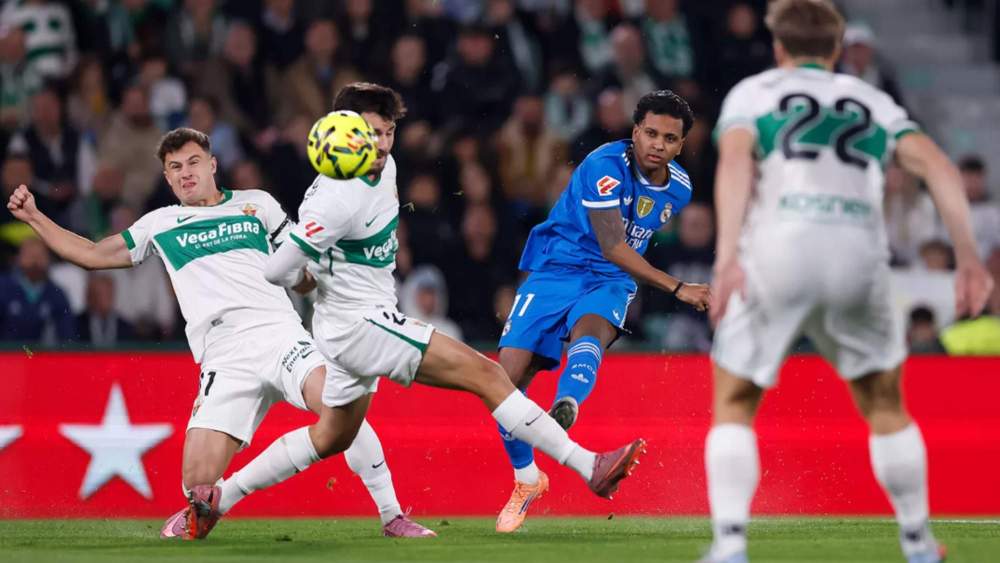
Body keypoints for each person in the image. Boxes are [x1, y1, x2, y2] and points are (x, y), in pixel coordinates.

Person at [6, 127, 435, 540]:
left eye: (193, 162)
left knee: (339, 407)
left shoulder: (257, 204)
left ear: (213, 165)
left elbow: (300, 268)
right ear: (167, 178)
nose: (185, 172)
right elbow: (92, 254)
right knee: (196, 488)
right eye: (175, 167)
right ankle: (215, 501)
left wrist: (305, 280)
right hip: (224, 356)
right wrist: (34, 216)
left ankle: (392, 514)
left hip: (279, 335)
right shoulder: (160, 223)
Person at [258, 82, 647, 532]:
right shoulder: (337, 196)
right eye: (370, 133)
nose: (381, 144)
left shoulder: (379, 168)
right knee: (487, 374)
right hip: (359, 323)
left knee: (332, 435)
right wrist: (301, 276)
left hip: (347, 322)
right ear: (340, 131)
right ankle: (588, 466)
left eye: (387, 132)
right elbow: (276, 270)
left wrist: (309, 274)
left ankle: (221, 498)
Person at [704, 2, 995, 562]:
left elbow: (736, 162)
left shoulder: (755, 92)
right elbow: (936, 164)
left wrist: (725, 255)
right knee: (885, 403)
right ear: (836, 52)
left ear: (779, 49)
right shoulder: (873, 101)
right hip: (857, 255)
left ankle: (731, 545)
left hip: (779, 250)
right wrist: (969, 258)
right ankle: (916, 543)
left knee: (736, 400)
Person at [492, 89, 711, 533]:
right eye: (650, 133)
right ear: (634, 132)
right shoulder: (602, 167)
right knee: (504, 382)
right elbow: (613, 245)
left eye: (669, 139)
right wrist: (677, 287)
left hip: (610, 279)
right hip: (558, 266)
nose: (658, 144)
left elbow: (630, 244)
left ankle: (567, 402)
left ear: (681, 145)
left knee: (590, 330)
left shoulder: (681, 188)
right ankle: (526, 480)